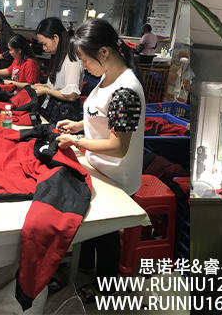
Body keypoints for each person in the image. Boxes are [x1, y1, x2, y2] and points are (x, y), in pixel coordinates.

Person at [54, 18, 145, 300]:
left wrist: (77, 141)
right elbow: (103, 117)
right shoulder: (108, 78)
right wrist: (78, 125)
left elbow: (118, 146)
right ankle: (82, 266)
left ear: (104, 52)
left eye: (84, 59)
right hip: (100, 167)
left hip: (116, 174)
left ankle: (106, 286)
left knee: (106, 234)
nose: (84, 66)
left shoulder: (126, 91)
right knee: (93, 226)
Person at [33, 17, 84, 123]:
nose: (44, 48)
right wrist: (44, 86)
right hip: (53, 107)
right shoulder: (59, 55)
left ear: (56, 38)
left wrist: (46, 90)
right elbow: (60, 86)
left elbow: (72, 95)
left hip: (65, 112)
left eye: (45, 44)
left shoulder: (72, 58)